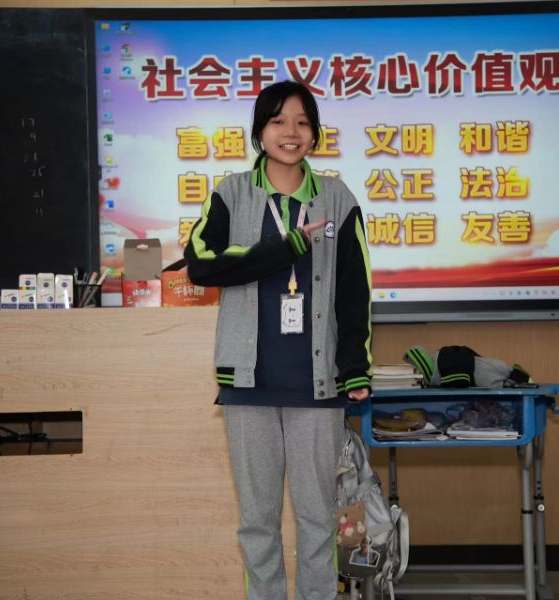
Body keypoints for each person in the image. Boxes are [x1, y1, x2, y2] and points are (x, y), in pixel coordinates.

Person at [184, 80, 372, 600]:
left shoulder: (338, 198)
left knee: (318, 517)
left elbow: (355, 291)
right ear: (260, 131)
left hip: (317, 382)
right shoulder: (231, 193)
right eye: (278, 121)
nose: (291, 132)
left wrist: (355, 368)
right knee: (258, 520)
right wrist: (286, 246)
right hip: (250, 384)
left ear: (315, 133)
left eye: (303, 122)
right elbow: (201, 265)